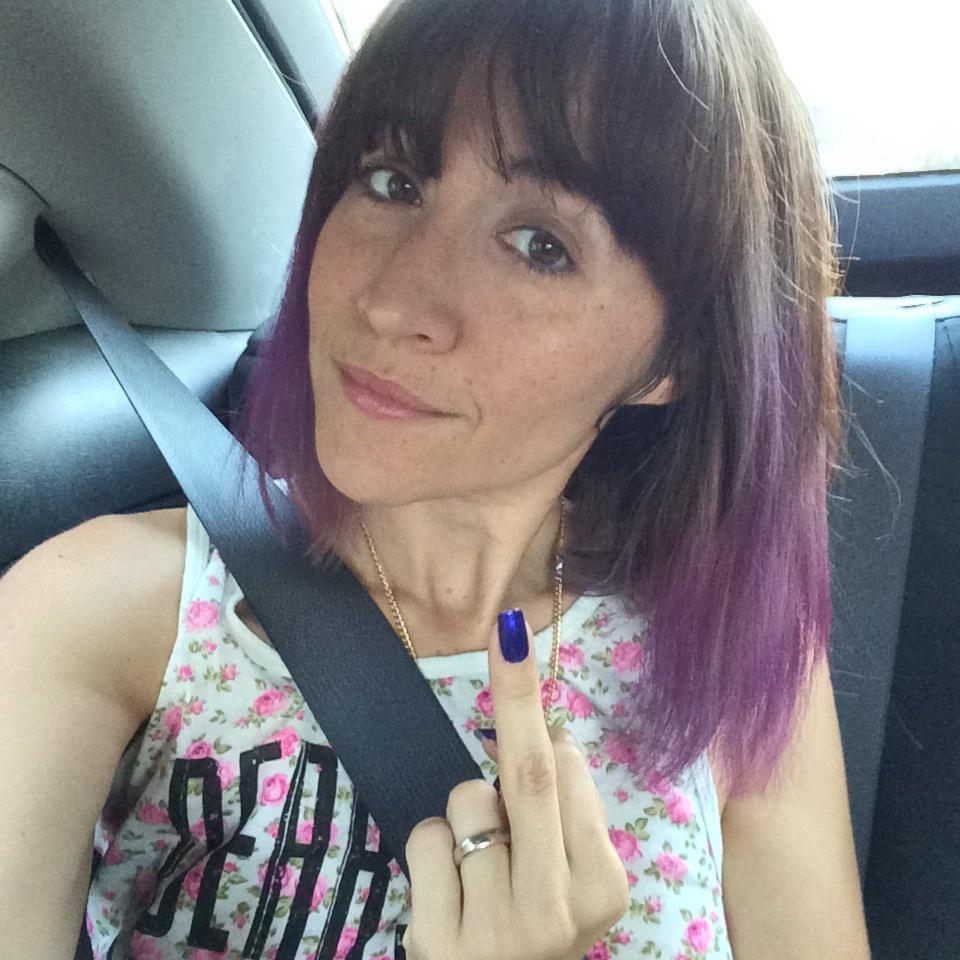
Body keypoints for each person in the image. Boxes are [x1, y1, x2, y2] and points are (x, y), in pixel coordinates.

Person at [0, 0, 873, 957]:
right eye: (392, 181)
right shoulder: (102, 609)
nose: (390, 300)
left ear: (677, 357)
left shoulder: (726, 651)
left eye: (540, 245)